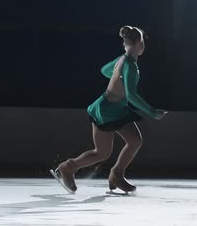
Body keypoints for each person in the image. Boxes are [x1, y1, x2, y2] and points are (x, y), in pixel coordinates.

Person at [51, 25, 168, 194]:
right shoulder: (130, 66)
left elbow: (105, 71)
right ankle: (67, 167)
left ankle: (116, 174)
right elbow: (131, 96)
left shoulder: (123, 60)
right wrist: (151, 111)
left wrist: (116, 76)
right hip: (106, 111)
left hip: (116, 109)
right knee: (102, 153)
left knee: (134, 140)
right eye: (143, 42)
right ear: (138, 44)